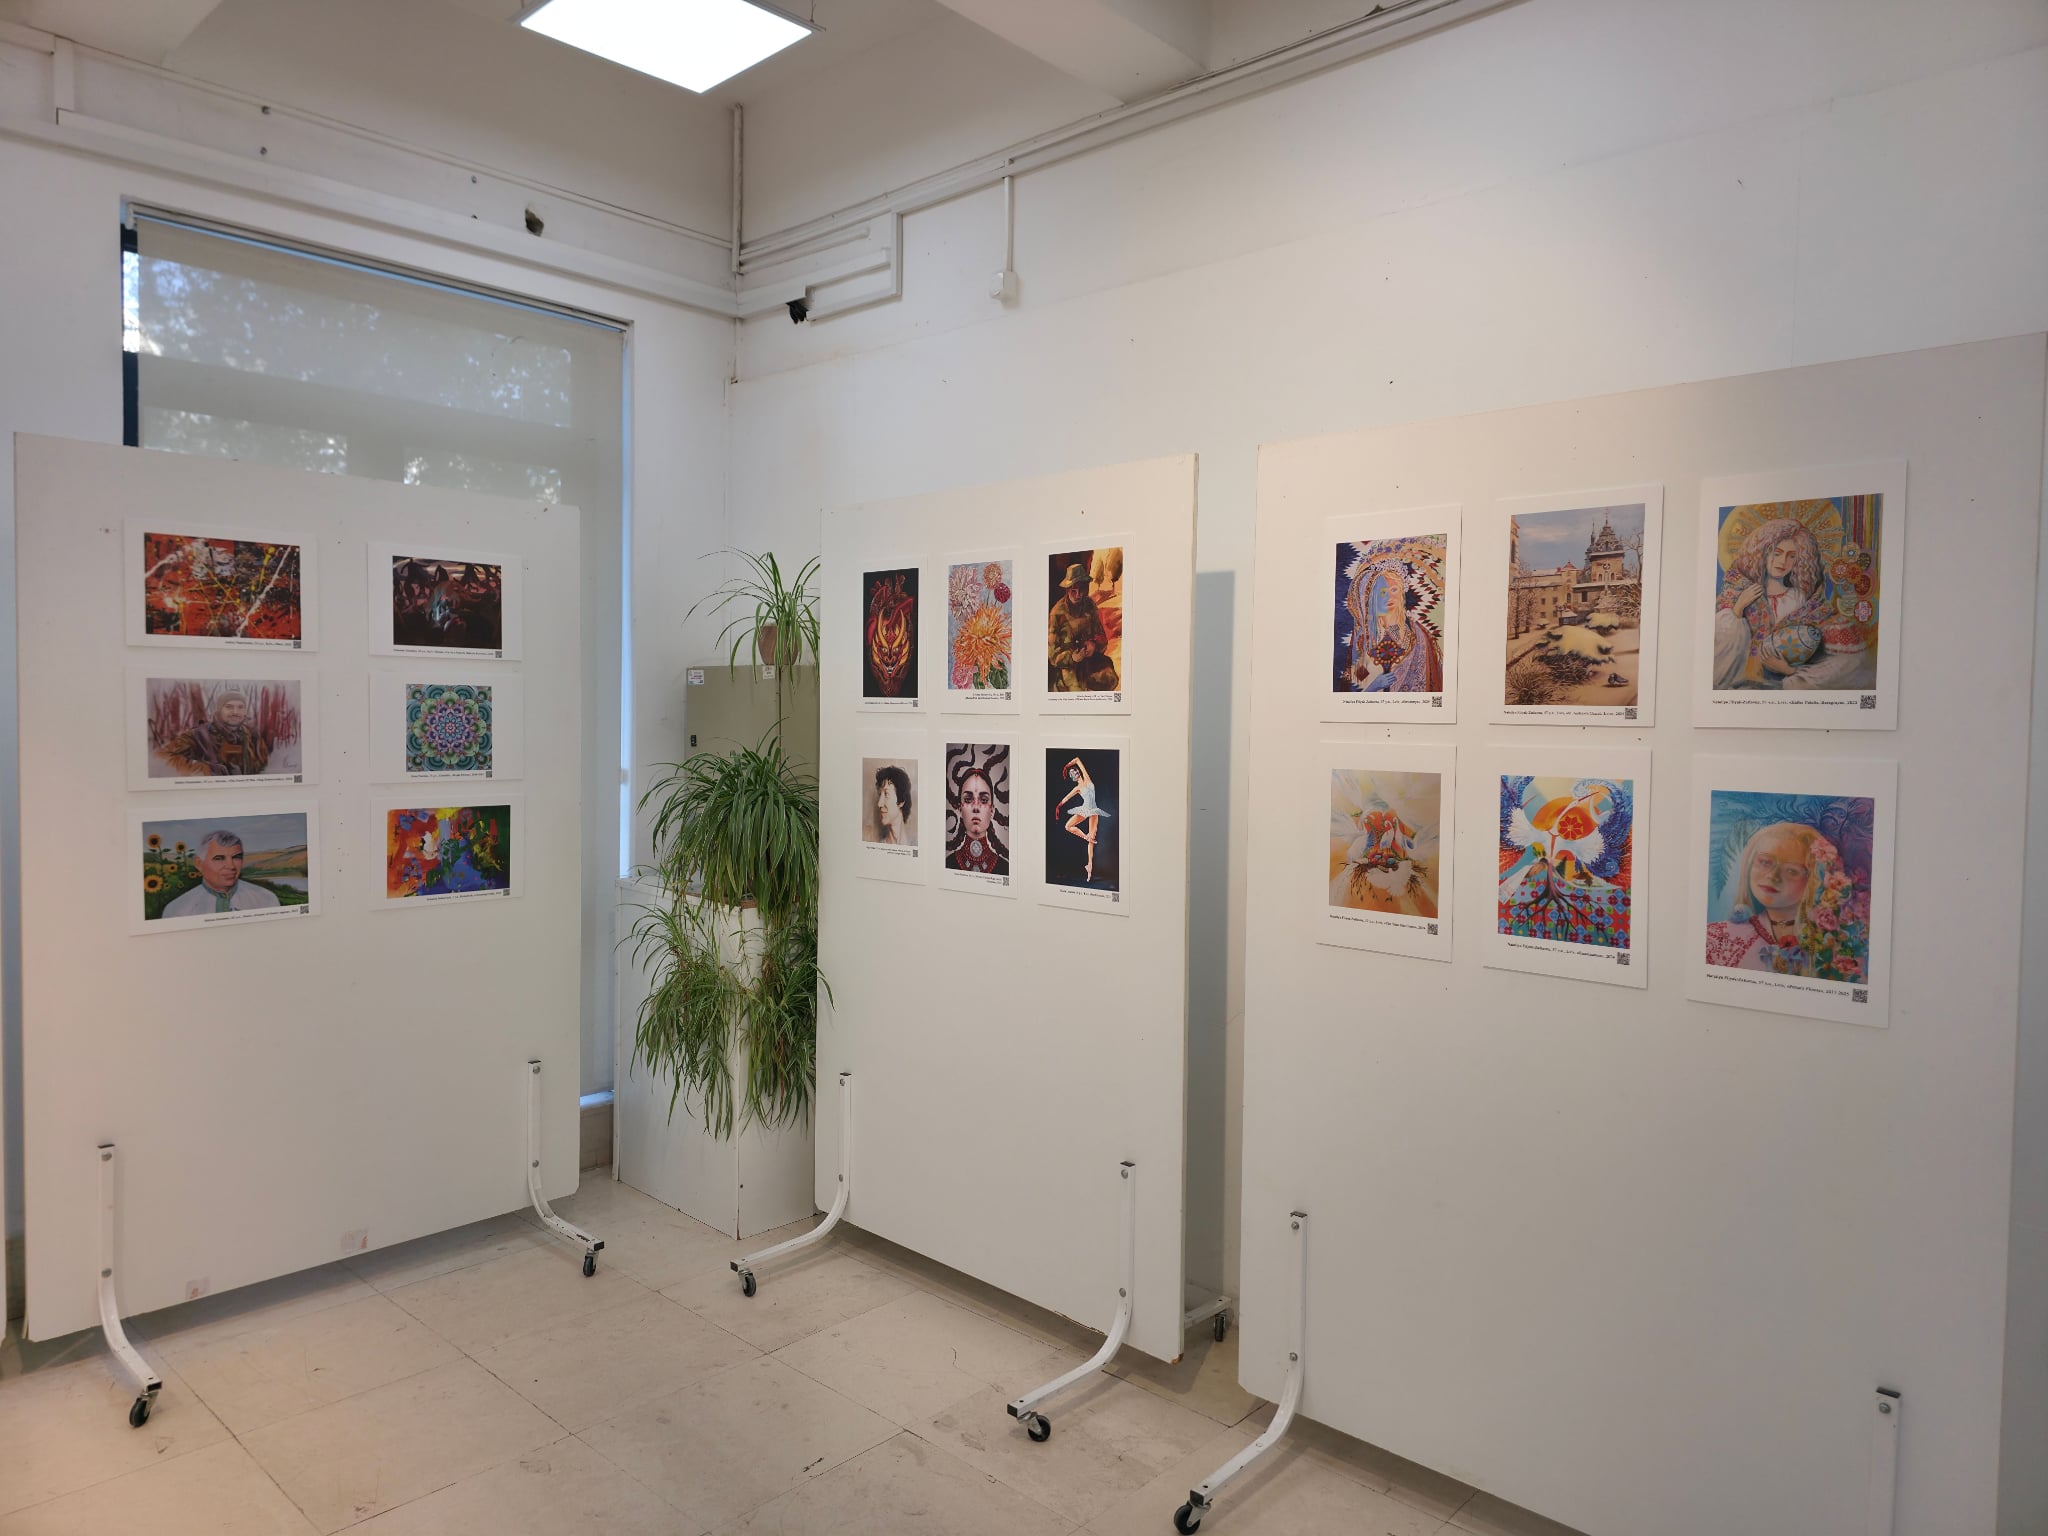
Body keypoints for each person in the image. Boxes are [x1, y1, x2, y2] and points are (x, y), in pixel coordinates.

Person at [1711, 518, 1874, 691]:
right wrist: (1738, 608)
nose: (1783, 561)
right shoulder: (1742, 592)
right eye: (1777, 553)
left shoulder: (1798, 597)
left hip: (1779, 684)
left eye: (1792, 556)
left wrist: (1788, 670)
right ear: (1763, 553)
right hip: (1742, 683)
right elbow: (1717, 649)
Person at [1704, 821, 1849, 976]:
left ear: (1815, 880)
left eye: (1792, 871)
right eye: (1765, 862)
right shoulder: (1716, 939)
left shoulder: (1837, 944)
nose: (1773, 876)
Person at [157, 687, 277, 777]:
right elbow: (161, 758)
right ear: (219, 709)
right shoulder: (198, 735)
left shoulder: (253, 736)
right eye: (229, 707)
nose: (235, 712)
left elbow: (264, 767)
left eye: (240, 707)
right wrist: (204, 770)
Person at [161, 829, 281, 917]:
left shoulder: (267, 899)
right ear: (199, 864)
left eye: (236, 857)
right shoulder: (176, 910)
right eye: (219, 858)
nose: (231, 866)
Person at [1047, 563, 1119, 693]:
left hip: (1091, 661)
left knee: (1110, 679)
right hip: (1070, 667)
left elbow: (1102, 637)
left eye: (1082, 590)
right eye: (1073, 591)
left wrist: (1094, 645)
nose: (1078, 595)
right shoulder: (1056, 613)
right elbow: (1052, 655)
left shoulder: (1089, 605)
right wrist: (1072, 657)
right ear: (1067, 590)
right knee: (1078, 692)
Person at [1052, 756, 1109, 883]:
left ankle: (1089, 867)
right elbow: (1066, 798)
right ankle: (1085, 837)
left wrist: (1066, 767)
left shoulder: (1087, 778)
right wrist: (1058, 807)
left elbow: (1077, 760)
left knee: (1092, 840)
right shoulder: (1077, 788)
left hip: (1093, 811)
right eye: (1073, 773)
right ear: (1072, 778)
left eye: (1075, 771)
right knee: (1068, 826)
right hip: (1084, 810)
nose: (1076, 773)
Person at [947, 764, 1006, 874]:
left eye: (983, 800)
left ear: (992, 810)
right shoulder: (948, 864)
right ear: (960, 809)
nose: (976, 807)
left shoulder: (1005, 868)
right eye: (968, 799)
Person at [873, 764, 913, 845]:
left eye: (886, 794)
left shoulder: (914, 844)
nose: (879, 803)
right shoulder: (881, 845)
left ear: (901, 801)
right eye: (880, 795)